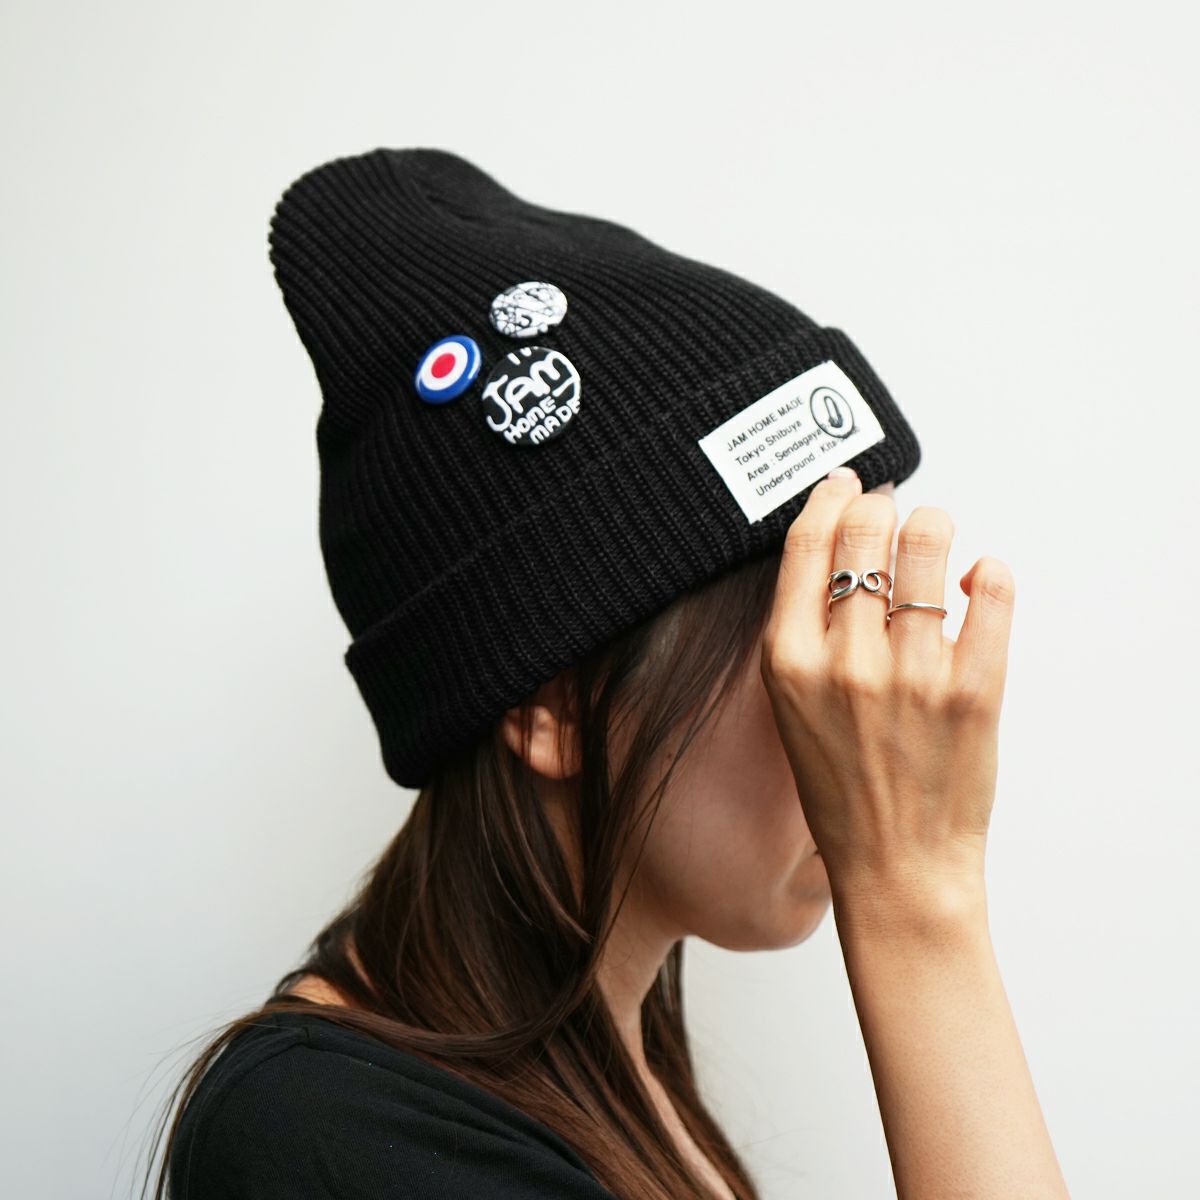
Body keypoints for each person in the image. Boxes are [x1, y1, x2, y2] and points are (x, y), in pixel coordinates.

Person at [148, 149, 1069, 1199]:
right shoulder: (325, 1138)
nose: (870, 697)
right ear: (552, 703)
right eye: (817, 620)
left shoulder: (611, 1078)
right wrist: (916, 892)